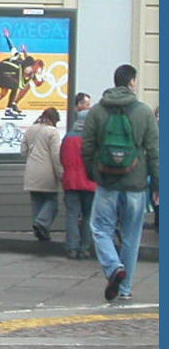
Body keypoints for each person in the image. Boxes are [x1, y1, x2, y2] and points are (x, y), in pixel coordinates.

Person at [82, 64, 159, 302]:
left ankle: (113, 266)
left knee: (100, 229)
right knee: (132, 236)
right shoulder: (144, 112)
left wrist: (94, 174)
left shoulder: (96, 112)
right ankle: (125, 289)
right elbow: (154, 151)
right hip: (135, 185)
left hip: (107, 183)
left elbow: (87, 148)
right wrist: (157, 183)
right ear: (132, 82)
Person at [60, 96, 95, 259]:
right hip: (90, 182)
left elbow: (62, 159)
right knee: (88, 215)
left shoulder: (68, 137)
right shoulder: (93, 139)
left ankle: (71, 248)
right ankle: (84, 247)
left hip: (71, 182)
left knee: (72, 215)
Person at [20, 106, 62, 242]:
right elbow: (56, 155)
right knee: (52, 202)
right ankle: (42, 224)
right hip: (47, 172)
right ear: (54, 119)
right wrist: (60, 173)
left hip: (31, 171)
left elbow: (23, 151)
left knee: (37, 202)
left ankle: (40, 232)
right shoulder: (52, 132)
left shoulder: (30, 130)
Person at [0, 26, 46, 119]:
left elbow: (36, 83)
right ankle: (9, 109)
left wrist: (41, 82)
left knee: (4, 92)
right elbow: (12, 48)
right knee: (14, 86)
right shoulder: (18, 60)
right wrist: (7, 37)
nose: (29, 71)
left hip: (3, 75)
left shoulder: (31, 72)